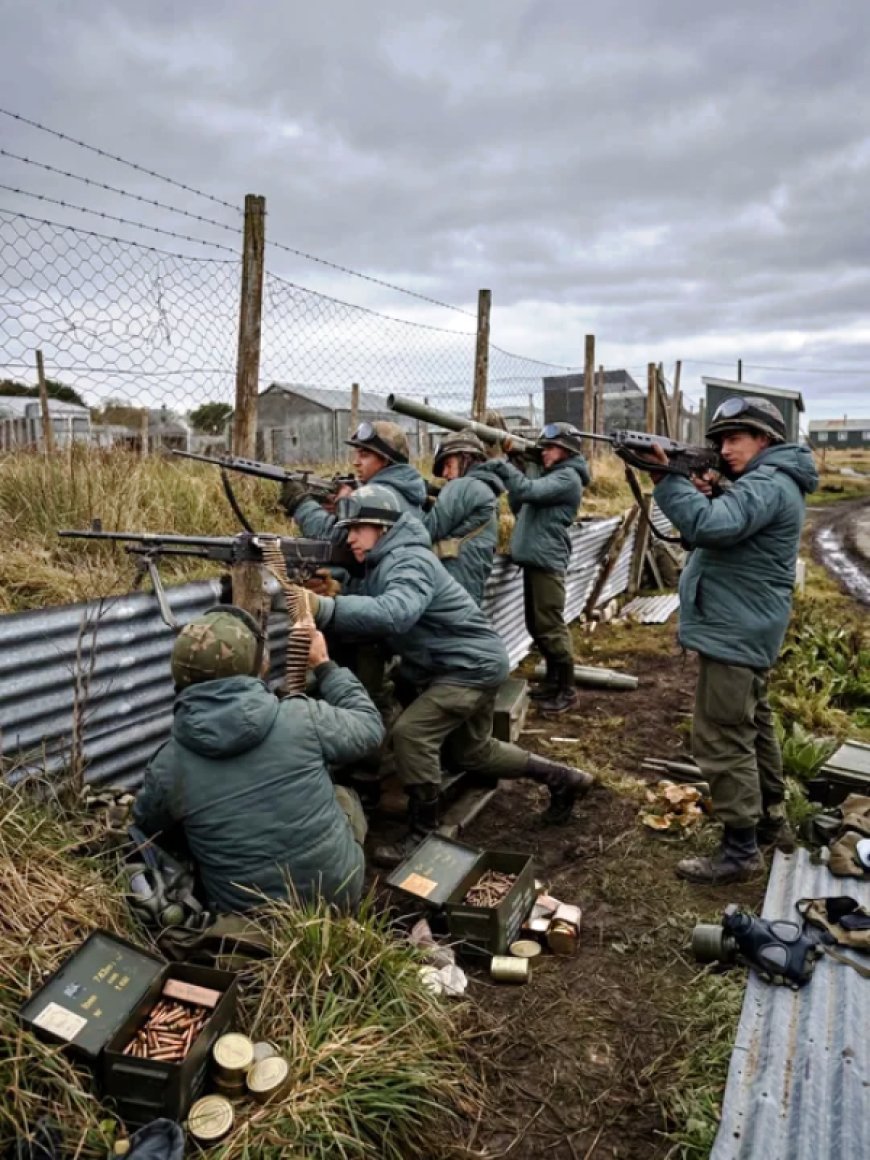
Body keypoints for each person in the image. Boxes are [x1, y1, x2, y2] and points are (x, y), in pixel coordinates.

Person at [300, 484, 594, 865]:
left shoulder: (409, 561)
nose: (350, 537)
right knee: (473, 751)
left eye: (358, 528)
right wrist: (334, 587)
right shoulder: (384, 561)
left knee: (412, 734)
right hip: (467, 664)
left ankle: (423, 832)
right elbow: (372, 599)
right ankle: (563, 778)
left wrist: (323, 607)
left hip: (468, 668)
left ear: (383, 529)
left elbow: (394, 612)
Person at [645, 396, 819, 885]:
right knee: (753, 723)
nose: (723, 448)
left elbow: (710, 526)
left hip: (736, 627)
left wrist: (669, 481)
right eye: (719, 440)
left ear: (765, 440)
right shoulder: (770, 481)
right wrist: (709, 486)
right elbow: (728, 520)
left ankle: (740, 850)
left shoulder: (767, 483)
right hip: (746, 623)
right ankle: (768, 821)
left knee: (721, 736)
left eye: (734, 438)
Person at [132, 606, 384, 912]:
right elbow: (370, 728)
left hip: (251, 923)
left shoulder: (168, 766)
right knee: (345, 797)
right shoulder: (302, 717)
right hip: (339, 896)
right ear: (257, 666)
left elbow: (147, 826)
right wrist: (324, 665)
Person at [485, 423, 590, 714]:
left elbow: (528, 491)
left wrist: (502, 465)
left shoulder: (568, 477)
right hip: (535, 560)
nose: (544, 453)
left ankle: (567, 692)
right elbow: (520, 502)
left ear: (567, 451)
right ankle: (554, 684)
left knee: (550, 627)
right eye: (541, 449)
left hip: (547, 561)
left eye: (550, 448)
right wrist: (522, 464)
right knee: (537, 626)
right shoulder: (550, 475)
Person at [279, 420, 427, 539]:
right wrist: (343, 510)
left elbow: (333, 535)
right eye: (356, 454)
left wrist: (300, 503)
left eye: (364, 455)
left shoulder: (378, 496)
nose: (355, 462)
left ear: (385, 460)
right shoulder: (403, 489)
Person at [421, 429, 504, 604]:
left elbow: (425, 531)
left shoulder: (464, 486)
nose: (444, 473)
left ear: (466, 458)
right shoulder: (485, 489)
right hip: (466, 585)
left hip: (452, 586)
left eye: (448, 464)